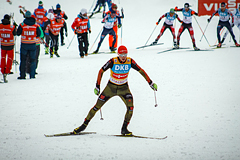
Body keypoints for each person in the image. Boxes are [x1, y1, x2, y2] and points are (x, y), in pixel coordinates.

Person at [73, 45, 158, 136]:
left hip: (124, 88)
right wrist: (97, 86)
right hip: (110, 88)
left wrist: (150, 83)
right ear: (118, 54)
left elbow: (141, 71)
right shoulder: (113, 61)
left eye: (125, 54)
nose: (123, 57)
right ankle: (83, 125)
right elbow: (101, 71)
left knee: (131, 108)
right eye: (121, 55)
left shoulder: (130, 61)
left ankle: (124, 128)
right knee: (97, 107)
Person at [17, 11, 42, 79]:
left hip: (24, 44)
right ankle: (32, 75)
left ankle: (22, 75)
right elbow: (39, 34)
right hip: (32, 44)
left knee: (23, 60)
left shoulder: (22, 25)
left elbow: (18, 33)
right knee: (33, 60)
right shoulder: (35, 25)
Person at [0, 14, 17, 83]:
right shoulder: (11, 27)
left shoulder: (0, 26)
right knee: (10, 58)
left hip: (3, 44)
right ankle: (7, 70)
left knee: (3, 57)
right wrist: (15, 27)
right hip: (10, 45)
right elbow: (15, 33)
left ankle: (2, 70)